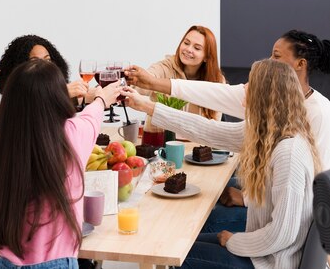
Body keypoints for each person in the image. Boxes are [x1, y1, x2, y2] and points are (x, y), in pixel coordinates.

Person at [126, 28, 330, 233]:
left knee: (193, 223)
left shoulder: (318, 113)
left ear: (300, 64)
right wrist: (149, 99)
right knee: (197, 201)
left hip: (283, 225)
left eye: (276, 56)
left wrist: (246, 200)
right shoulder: (273, 103)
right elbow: (212, 121)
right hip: (268, 201)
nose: (269, 60)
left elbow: (309, 187)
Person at [124, 59, 321, 269]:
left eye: (249, 83)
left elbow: (281, 235)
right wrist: (147, 106)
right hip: (264, 253)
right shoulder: (268, 133)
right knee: (174, 244)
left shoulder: (287, 153)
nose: (244, 87)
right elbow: (209, 130)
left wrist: (234, 241)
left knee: (176, 257)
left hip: (271, 263)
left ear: (264, 95)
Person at [0, 58, 121, 269]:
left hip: (6, 263)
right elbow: (91, 118)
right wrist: (100, 99)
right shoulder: (70, 135)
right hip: (57, 263)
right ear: (58, 98)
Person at [0, 33, 88, 102]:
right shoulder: (15, 106)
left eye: (48, 60)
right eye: (35, 61)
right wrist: (62, 92)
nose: (43, 65)